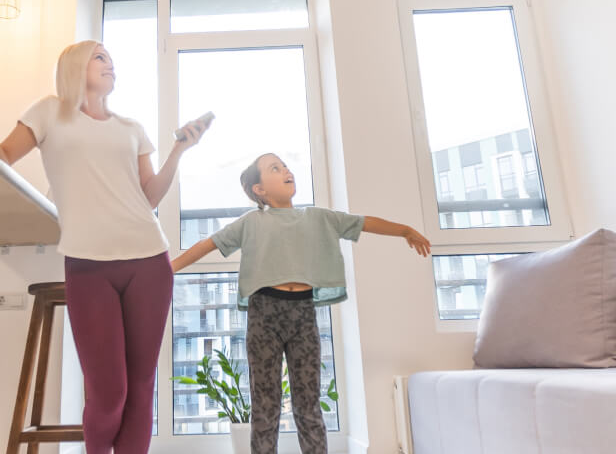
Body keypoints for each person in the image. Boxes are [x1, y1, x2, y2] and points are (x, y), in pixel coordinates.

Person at [0, 40, 210, 454]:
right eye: (101, 58)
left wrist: (179, 150)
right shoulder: (49, 112)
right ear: (75, 66)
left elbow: (149, 198)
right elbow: (5, 152)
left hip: (148, 261)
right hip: (88, 265)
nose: (110, 65)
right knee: (108, 392)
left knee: (140, 387)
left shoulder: (132, 129)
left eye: (113, 60)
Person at [170, 153, 431, 454]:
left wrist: (405, 231)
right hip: (264, 314)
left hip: (303, 314)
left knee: (308, 404)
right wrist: (168, 267)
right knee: (265, 406)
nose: (286, 170)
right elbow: (207, 244)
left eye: (285, 166)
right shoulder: (251, 222)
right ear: (259, 190)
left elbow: (363, 222)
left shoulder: (318, 217)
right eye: (275, 168)